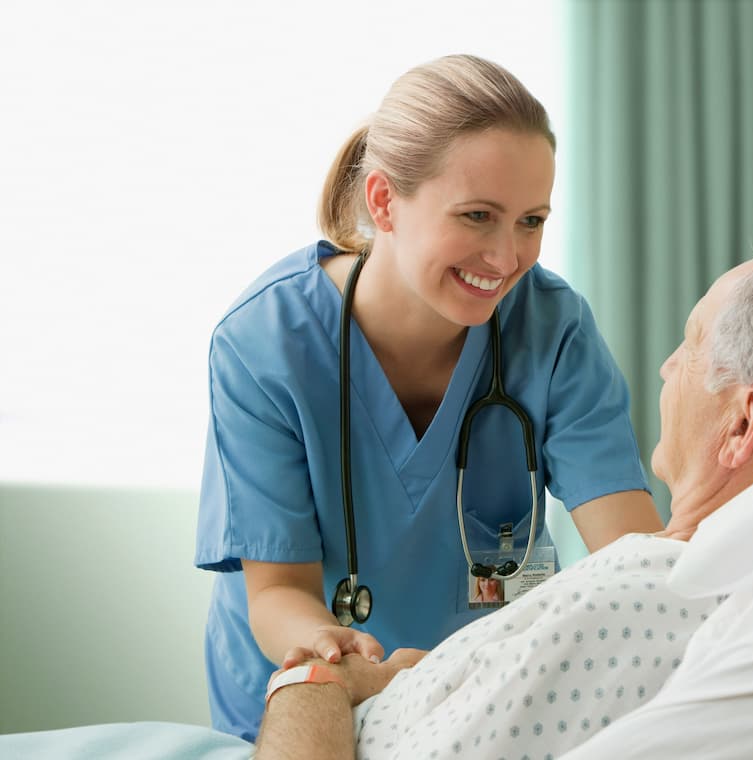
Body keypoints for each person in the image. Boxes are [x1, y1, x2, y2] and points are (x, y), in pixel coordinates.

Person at [253, 237, 753, 760]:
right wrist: (427, 678)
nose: (668, 366)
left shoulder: (635, 603)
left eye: (692, 343)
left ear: (740, 425)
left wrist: (318, 683)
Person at [194, 53, 664, 742]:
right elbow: (277, 593)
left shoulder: (552, 328)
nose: (507, 258)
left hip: (490, 700)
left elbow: (633, 552)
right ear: (383, 201)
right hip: (319, 692)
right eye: (477, 216)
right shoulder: (265, 344)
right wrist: (337, 654)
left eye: (531, 221)